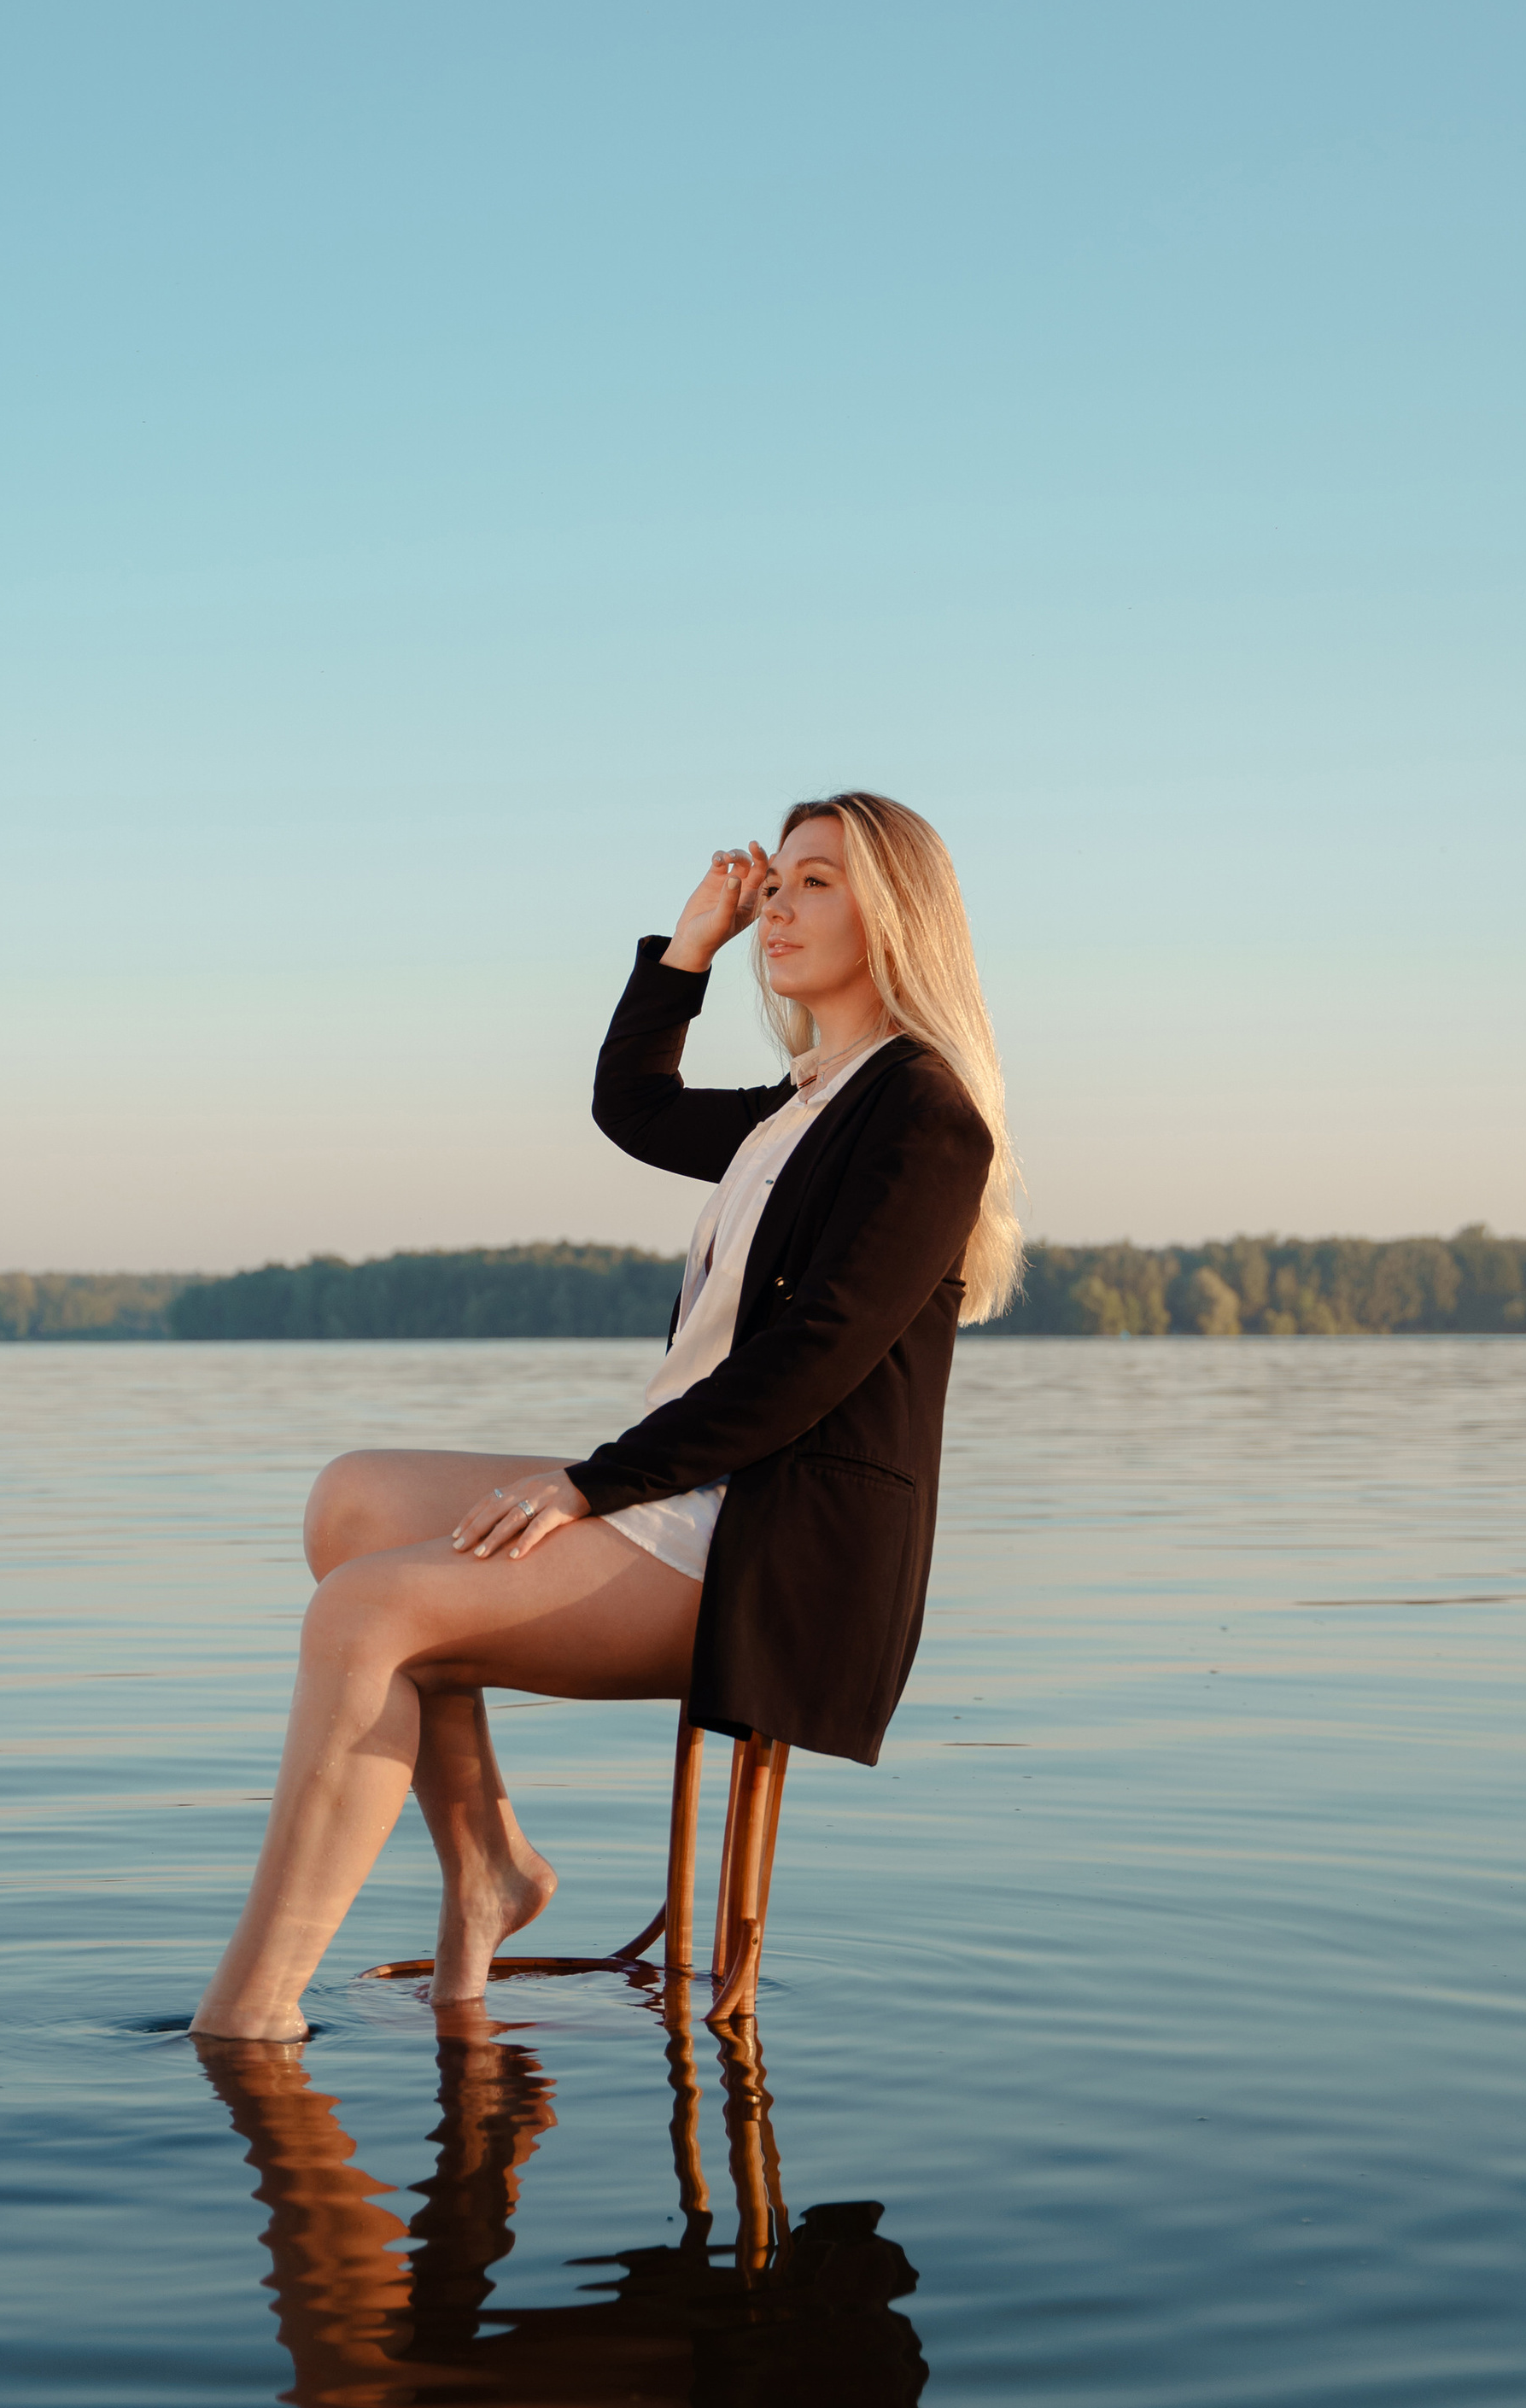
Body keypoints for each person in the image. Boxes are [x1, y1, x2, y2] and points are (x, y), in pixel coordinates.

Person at [190, 791, 1022, 2043]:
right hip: (695, 1495)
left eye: (816, 884)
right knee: (353, 1501)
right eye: (777, 883)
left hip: (770, 1550)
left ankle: (248, 2016)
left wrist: (592, 1483)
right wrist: (691, 944)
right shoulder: (801, 1108)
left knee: (363, 1614)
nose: (779, 908)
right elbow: (631, 1107)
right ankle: (488, 1868)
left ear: (898, 917)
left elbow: (816, 1358)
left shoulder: (924, 1115)